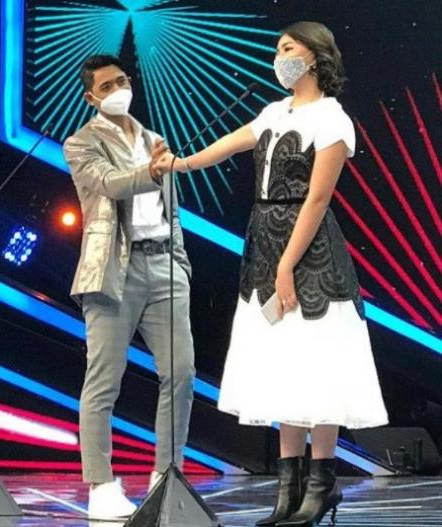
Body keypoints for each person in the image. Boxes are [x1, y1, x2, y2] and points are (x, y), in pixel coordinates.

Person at [154, 21, 388, 527]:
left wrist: (287, 265)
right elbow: (227, 145)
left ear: (313, 56)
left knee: (317, 362)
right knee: (284, 364)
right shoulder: (274, 112)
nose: (278, 56)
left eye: (287, 48)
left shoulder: (332, 119)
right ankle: (288, 489)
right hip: (264, 241)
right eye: (278, 48)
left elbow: (318, 199)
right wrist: (179, 163)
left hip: (312, 251)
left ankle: (321, 484)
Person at [63, 54, 195, 521]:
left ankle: (167, 474)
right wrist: (152, 172)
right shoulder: (81, 143)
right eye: (107, 86)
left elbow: (170, 211)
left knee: (181, 372)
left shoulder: (155, 139)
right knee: (104, 379)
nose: (119, 89)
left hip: (164, 266)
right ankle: (101, 484)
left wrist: (180, 263)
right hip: (112, 271)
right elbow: (110, 184)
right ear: (91, 97)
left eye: (122, 80)